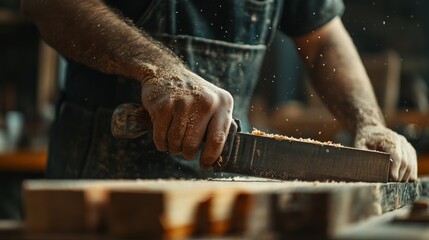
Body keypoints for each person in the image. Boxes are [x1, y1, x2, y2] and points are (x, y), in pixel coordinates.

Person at [21, 0, 417, 181]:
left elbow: (323, 41)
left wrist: (370, 123)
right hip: (100, 189)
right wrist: (158, 69)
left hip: (223, 183)